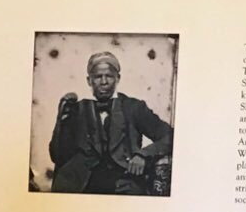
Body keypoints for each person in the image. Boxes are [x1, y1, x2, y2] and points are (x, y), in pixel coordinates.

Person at [49, 51, 173, 195]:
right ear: (89, 81)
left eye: (109, 76)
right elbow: (57, 156)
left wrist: (143, 155)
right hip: (82, 185)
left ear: (117, 79)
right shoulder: (76, 109)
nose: (103, 82)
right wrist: (61, 121)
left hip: (124, 181)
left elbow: (169, 136)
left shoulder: (134, 107)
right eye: (97, 77)